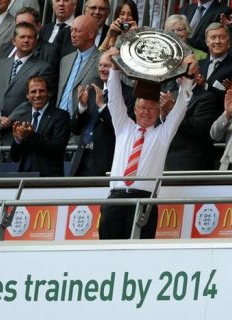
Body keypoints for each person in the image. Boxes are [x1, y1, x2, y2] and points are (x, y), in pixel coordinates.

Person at [99, 48, 197, 240]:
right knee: (107, 250)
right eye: (142, 107)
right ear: (134, 109)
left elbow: (180, 110)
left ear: (158, 110)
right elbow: (114, 99)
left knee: (139, 253)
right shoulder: (123, 126)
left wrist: (187, 79)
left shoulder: (163, 133)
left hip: (145, 199)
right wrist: (114, 68)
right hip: (116, 197)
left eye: (152, 108)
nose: (146, 112)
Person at [0, 22, 54, 144]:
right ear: (14, 41)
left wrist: (9, 120)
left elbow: (36, 99)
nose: (26, 40)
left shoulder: (43, 68)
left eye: (30, 37)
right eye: (22, 37)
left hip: (20, 129)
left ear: (35, 41)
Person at [10, 76, 71, 176]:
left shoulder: (60, 116)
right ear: (27, 95)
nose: (37, 95)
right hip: (23, 178)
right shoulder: (23, 117)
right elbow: (15, 157)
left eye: (42, 91)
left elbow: (58, 148)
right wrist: (18, 140)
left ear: (48, 93)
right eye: (33, 91)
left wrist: (31, 135)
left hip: (48, 179)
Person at [69, 52, 118, 176]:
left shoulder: (126, 94)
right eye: (100, 65)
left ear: (117, 68)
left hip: (105, 161)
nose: (102, 69)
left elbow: (120, 128)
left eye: (107, 66)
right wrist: (82, 106)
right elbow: (75, 129)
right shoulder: (91, 91)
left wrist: (102, 106)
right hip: (82, 159)